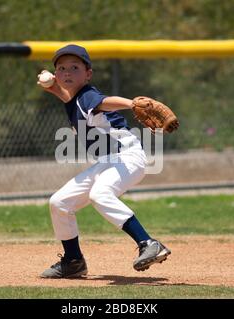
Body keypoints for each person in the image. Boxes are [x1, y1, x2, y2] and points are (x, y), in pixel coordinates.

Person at [37, 44, 171, 278]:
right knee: (59, 203)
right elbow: (62, 93)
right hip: (108, 162)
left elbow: (105, 101)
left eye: (75, 67)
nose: (67, 72)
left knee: (100, 193)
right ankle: (73, 261)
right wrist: (51, 84)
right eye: (61, 68)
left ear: (88, 74)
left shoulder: (87, 95)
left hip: (127, 157)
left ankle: (148, 243)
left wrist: (131, 104)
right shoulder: (74, 98)